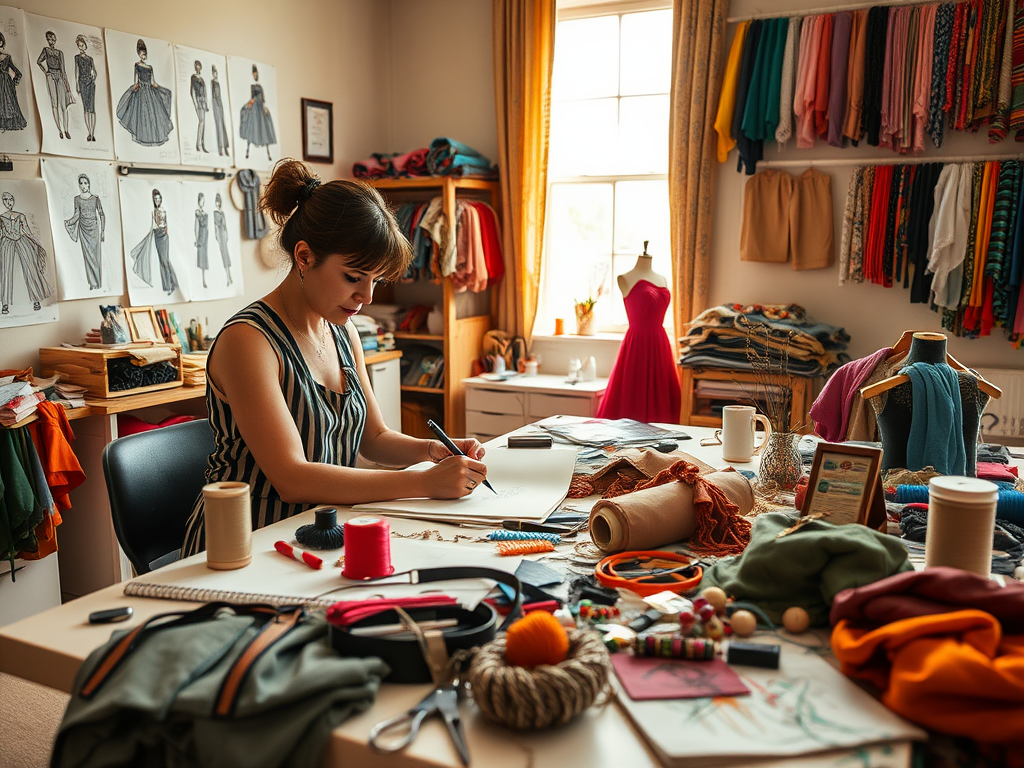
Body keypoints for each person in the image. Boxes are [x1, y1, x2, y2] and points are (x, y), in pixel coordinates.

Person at [181, 159, 487, 556]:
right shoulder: (249, 341)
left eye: (375, 280)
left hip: (318, 531)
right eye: (353, 277)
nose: (367, 297)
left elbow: (374, 439)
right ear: (305, 257)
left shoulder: (342, 331)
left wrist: (432, 451)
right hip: (246, 544)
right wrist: (423, 483)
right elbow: (292, 478)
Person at [595, 241, 680, 423]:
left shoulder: (662, 279)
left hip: (659, 343)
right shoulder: (624, 279)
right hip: (638, 344)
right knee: (634, 398)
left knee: (661, 399)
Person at [115, 39, 174, 147]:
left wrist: (163, 90)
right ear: (139, 54)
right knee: (143, 115)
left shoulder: (150, 67)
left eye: (145, 54)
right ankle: (144, 136)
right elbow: (136, 81)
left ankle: (152, 137)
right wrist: (132, 90)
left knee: (153, 115)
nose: (144, 56)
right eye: (142, 54)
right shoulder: (137, 65)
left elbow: (153, 82)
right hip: (141, 92)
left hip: (150, 92)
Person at [0, 191, 52, 314]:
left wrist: (36, 242)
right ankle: (5, 303)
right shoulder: (1, 217)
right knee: (5, 271)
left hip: (22, 241)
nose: (8, 202)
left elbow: (26, 231)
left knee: (31, 268)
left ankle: (36, 300)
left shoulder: (20, 215)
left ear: (13, 200)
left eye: (10, 199)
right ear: (3, 202)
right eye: (5, 200)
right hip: (6, 243)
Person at [130, 188, 178, 295]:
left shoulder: (164, 210)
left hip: (164, 235)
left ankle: (171, 284)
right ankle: (167, 286)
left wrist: (165, 232)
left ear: (161, 199)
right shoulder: (153, 211)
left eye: (158, 198)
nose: (156, 201)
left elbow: (166, 224)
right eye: (154, 199)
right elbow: (153, 225)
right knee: (162, 261)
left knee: (165, 260)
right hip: (157, 234)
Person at [64, 173, 105, 289]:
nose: (83, 186)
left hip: (94, 229)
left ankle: (98, 283)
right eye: (81, 183)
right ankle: (92, 284)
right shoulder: (76, 199)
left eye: (85, 183)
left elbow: (101, 214)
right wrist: (69, 222)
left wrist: (103, 231)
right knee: (87, 257)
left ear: (89, 184)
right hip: (83, 230)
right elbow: (77, 214)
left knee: (96, 257)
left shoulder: (95, 198)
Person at [36, 30, 73, 140]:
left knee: (63, 105)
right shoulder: (46, 50)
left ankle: (66, 129)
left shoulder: (59, 52)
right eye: (49, 39)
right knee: (54, 104)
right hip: (50, 76)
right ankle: (60, 130)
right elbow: (39, 61)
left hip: (60, 77)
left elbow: (63, 70)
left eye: (52, 39)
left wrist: (68, 88)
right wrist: (45, 71)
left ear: (55, 40)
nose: (51, 41)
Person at [238, 64, 276, 161]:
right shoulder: (252, 86)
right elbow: (252, 97)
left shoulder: (261, 87)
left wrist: (264, 108)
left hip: (260, 107)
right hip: (254, 106)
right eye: (254, 75)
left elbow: (263, 100)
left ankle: (268, 153)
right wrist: (251, 104)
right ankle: (247, 151)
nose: (255, 76)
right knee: (252, 126)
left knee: (264, 127)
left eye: (256, 74)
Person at [0, 33, 28, 132]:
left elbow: (18, 72)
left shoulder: (7, 57)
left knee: (9, 103)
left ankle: (8, 124)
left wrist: (15, 81)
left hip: (6, 83)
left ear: (2, 42)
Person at [74, 35, 97, 142]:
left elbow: (95, 72)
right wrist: (77, 84)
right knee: (85, 108)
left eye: (82, 45)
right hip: (82, 82)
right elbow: (76, 71)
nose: (81, 47)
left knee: (92, 108)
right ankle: (89, 133)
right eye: (79, 46)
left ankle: (93, 132)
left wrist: (93, 73)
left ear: (85, 46)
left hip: (90, 83)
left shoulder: (90, 59)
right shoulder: (77, 58)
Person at [210, 64, 229, 156]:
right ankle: (220, 148)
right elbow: (213, 96)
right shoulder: (212, 83)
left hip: (220, 104)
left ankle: (225, 147)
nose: (215, 74)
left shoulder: (218, 83)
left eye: (216, 73)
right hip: (216, 105)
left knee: (223, 125)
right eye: (214, 73)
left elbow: (220, 96)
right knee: (219, 126)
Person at [213, 192, 232, 285]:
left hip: (223, 235)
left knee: (226, 255)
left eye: (219, 202)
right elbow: (216, 226)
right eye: (217, 202)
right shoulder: (215, 213)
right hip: (220, 236)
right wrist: (217, 235)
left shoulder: (222, 213)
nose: (218, 204)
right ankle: (227, 277)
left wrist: (226, 234)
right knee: (223, 255)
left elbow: (225, 225)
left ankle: (229, 276)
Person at [190, 59, 208, 153]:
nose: (197, 68)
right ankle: (198, 145)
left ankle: (203, 144)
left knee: (203, 123)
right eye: (196, 67)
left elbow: (205, 92)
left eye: (199, 67)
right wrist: (195, 103)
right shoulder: (193, 77)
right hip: (197, 101)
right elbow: (192, 91)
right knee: (201, 122)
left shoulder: (202, 79)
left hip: (202, 102)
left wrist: (206, 104)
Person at [194, 191, 208, 288]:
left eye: (203, 200)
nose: (201, 202)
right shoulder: (197, 212)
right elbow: (196, 227)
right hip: (200, 236)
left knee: (205, 257)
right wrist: (197, 239)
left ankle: (204, 279)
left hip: (205, 236)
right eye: (200, 200)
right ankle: (202, 280)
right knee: (201, 258)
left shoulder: (205, 213)